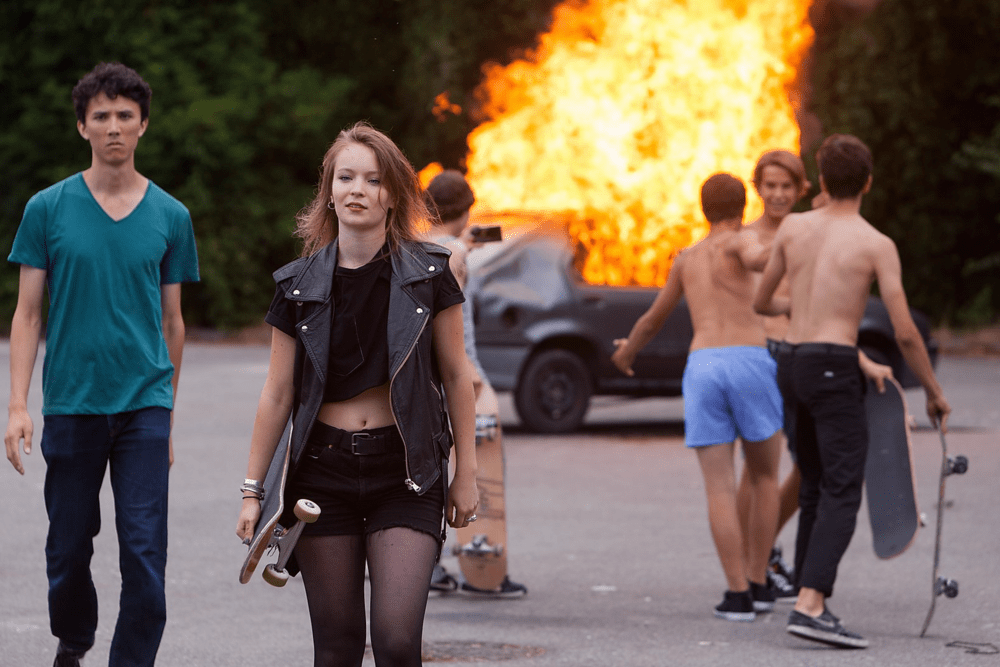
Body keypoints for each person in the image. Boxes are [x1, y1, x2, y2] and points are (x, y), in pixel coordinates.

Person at [235, 122, 479, 667]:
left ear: (393, 194)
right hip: (322, 476)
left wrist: (466, 471)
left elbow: (458, 376)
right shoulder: (296, 286)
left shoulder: (428, 275)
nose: (357, 190)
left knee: (395, 643)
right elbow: (276, 394)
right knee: (338, 648)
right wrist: (253, 491)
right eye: (345, 177)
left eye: (372, 179)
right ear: (329, 190)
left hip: (406, 472)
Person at [4, 62, 200, 667]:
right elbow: (28, 314)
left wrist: (166, 415)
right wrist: (17, 407)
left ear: (143, 125)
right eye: (101, 116)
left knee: (144, 554)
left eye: (124, 116)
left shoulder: (172, 215)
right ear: (83, 127)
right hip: (71, 404)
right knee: (67, 551)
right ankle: (74, 637)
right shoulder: (47, 209)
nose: (113, 126)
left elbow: (173, 323)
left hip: (143, 406)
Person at [754, 134, 950, 648]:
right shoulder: (875, 244)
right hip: (832, 366)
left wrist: (805, 313)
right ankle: (811, 603)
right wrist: (932, 391)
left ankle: (803, 589)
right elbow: (906, 332)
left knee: (815, 483)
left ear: (819, 181)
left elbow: (763, 300)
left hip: (791, 364)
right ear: (867, 182)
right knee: (843, 487)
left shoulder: (793, 227)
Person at [612, 173, 783, 621]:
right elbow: (758, 256)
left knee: (719, 487)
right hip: (748, 359)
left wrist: (627, 352)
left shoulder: (686, 258)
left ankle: (737, 593)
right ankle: (761, 582)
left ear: (703, 209)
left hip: (703, 365)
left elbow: (652, 319)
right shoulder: (738, 242)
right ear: (742, 207)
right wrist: (791, 247)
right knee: (765, 477)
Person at [424, 169, 528, 598]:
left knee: (431, 474)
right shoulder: (455, 256)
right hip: (464, 377)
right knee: (481, 475)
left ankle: (428, 568)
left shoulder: (414, 247)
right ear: (468, 210)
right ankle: (484, 572)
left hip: (426, 377)